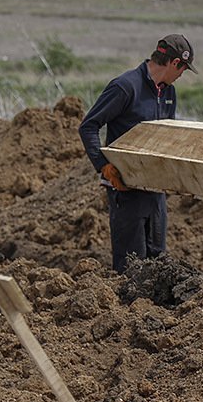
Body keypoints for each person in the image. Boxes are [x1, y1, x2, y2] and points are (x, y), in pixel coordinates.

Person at [78, 34, 196, 273]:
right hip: (126, 189)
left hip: (156, 191)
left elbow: (168, 136)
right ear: (174, 63)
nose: (182, 75)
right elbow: (88, 126)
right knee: (131, 267)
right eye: (183, 69)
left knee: (157, 264)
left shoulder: (169, 93)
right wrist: (103, 165)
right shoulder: (125, 87)